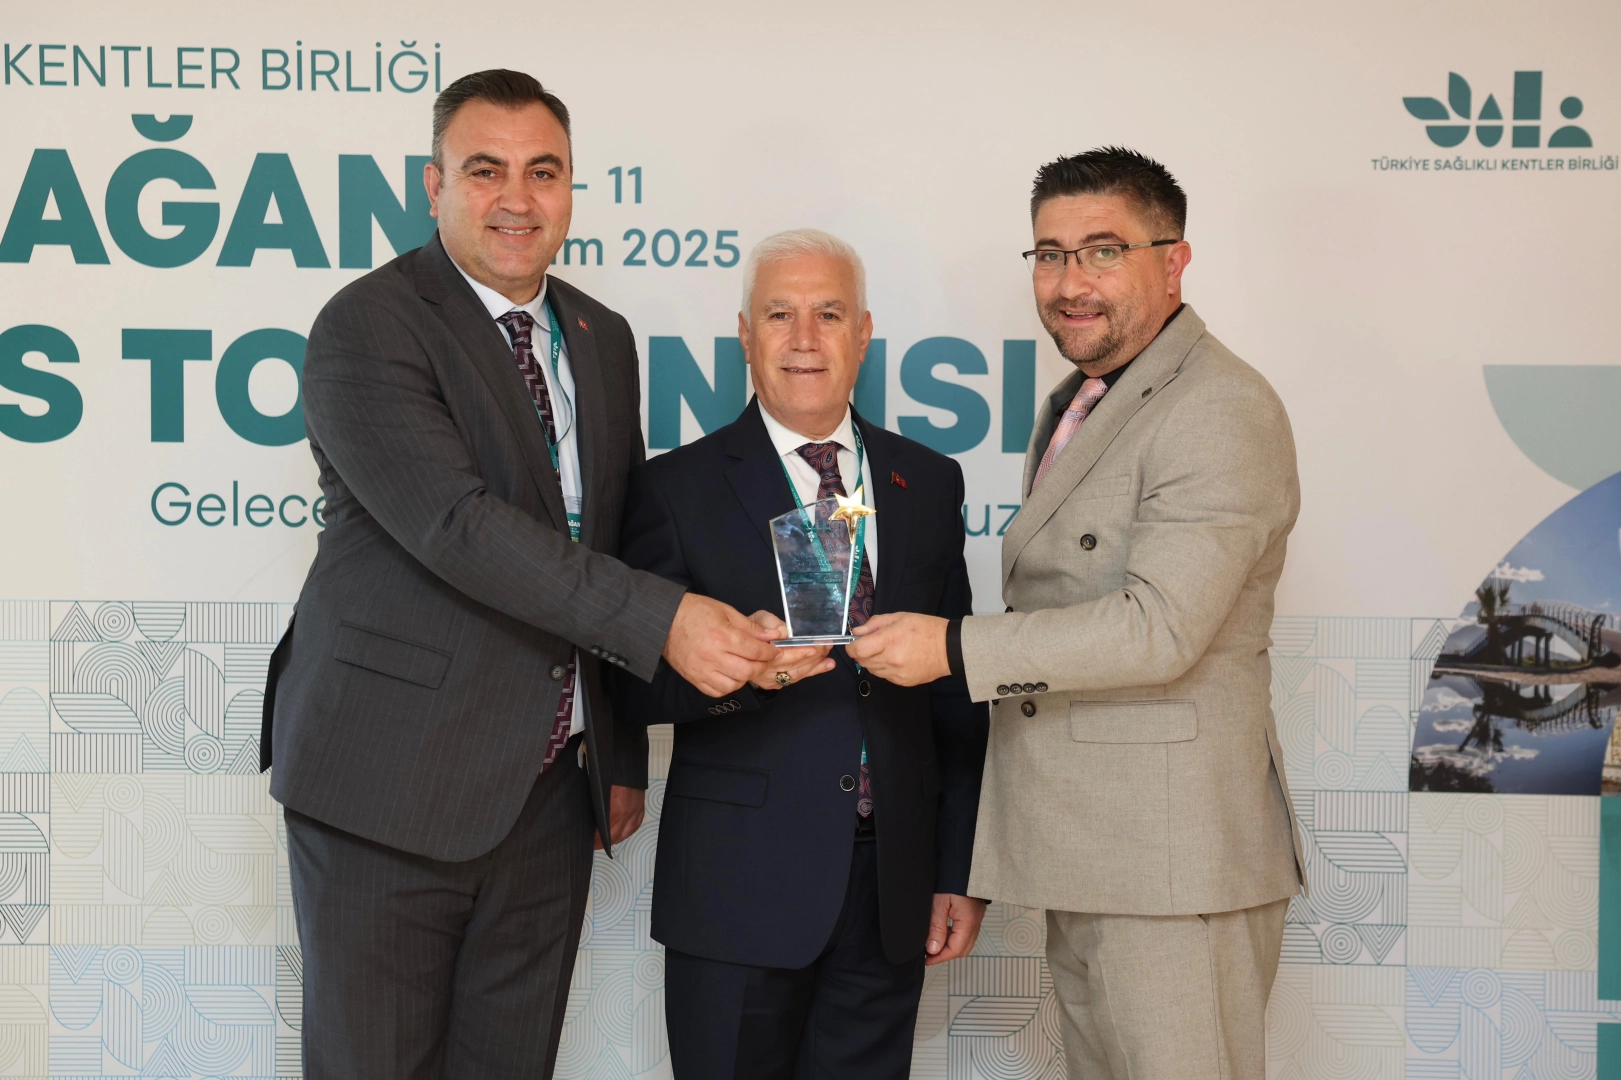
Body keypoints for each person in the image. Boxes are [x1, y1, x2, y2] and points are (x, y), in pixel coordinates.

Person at [258, 69, 779, 1080]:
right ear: (434, 186)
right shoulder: (369, 324)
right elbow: (456, 526)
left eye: (543, 172)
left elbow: (607, 541)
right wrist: (669, 622)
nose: (517, 198)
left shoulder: (601, 336)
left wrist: (618, 753)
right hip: (387, 783)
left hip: (547, 795)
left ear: (572, 187)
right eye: (484, 170)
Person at [847, 148, 1305, 1078]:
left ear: (1173, 260)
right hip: (1095, 852)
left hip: (1172, 868)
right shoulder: (1087, 400)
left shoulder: (1217, 406)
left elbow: (1158, 628)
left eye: (1103, 251)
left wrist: (951, 651)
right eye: (1049, 255)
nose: (1069, 283)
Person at [613, 229, 990, 1079]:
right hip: (738, 888)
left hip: (891, 889)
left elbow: (955, 690)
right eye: (780, 315)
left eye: (828, 313)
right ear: (745, 337)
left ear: (863, 333)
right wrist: (736, 675)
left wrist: (960, 866)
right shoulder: (674, 488)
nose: (805, 338)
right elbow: (625, 685)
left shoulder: (929, 481)